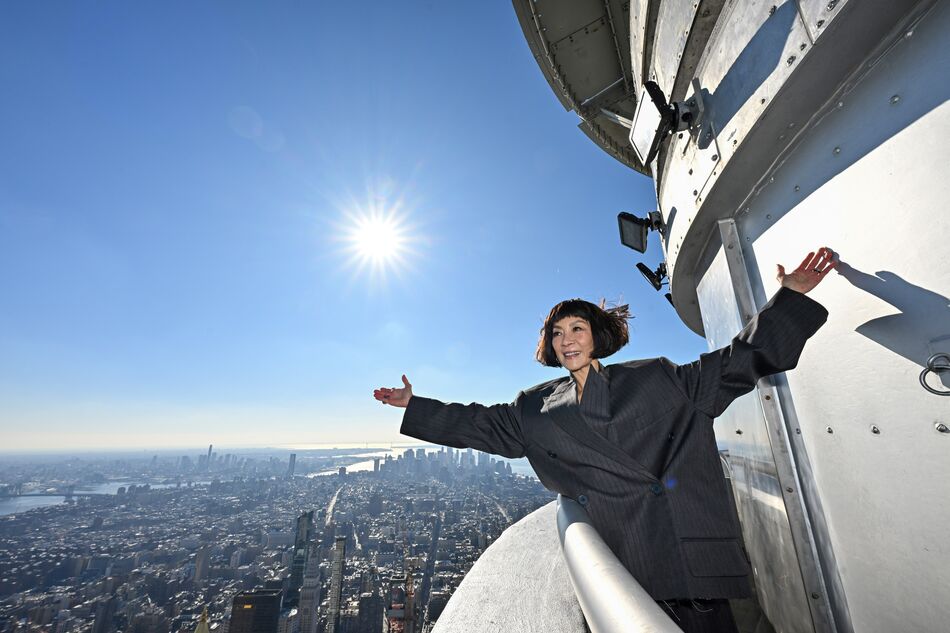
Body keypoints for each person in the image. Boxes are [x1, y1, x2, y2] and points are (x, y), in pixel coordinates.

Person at [373, 247, 837, 633]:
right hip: (621, 557)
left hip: (689, 555)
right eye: (557, 333)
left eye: (577, 328)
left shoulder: (658, 376)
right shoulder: (534, 407)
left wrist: (789, 299)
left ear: (598, 336)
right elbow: (480, 425)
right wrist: (415, 405)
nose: (567, 339)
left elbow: (737, 363)